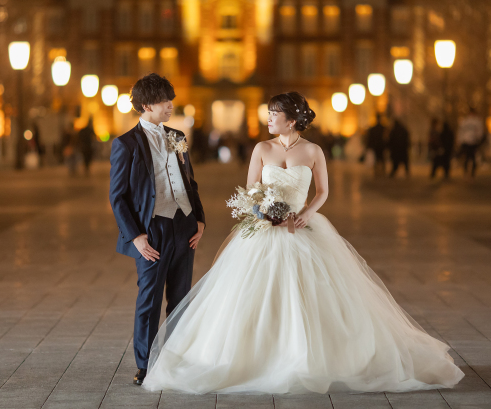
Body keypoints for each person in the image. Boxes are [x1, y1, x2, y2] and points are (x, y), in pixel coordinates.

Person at [143, 92, 464, 394]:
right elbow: (251, 189)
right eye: (268, 113)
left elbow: (322, 191)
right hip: (265, 228)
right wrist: (265, 211)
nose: (269, 119)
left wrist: (306, 214)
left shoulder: (313, 151)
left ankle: (318, 355)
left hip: (303, 225)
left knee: (317, 291)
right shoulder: (261, 149)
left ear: (292, 120)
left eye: (274, 114)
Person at [109, 73, 206, 387]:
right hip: (151, 231)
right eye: (166, 100)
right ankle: (145, 364)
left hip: (185, 226)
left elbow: (189, 182)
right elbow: (118, 196)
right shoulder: (125, 143)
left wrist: (200, 219)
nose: (171, 105)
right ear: (147, 104)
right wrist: (135, 236)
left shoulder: (177, 136)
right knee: (149, 301)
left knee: (180, 299)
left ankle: (175, 360)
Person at [457, 107, 484, 177]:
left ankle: (471, 173)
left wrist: (460, 140)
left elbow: (479, 132)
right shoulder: (468, 121)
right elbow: (461, 132)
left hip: (471, 142)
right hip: (468, 142)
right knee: (469, 158)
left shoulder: (466, 121)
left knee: (471, 158)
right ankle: (468, 173)